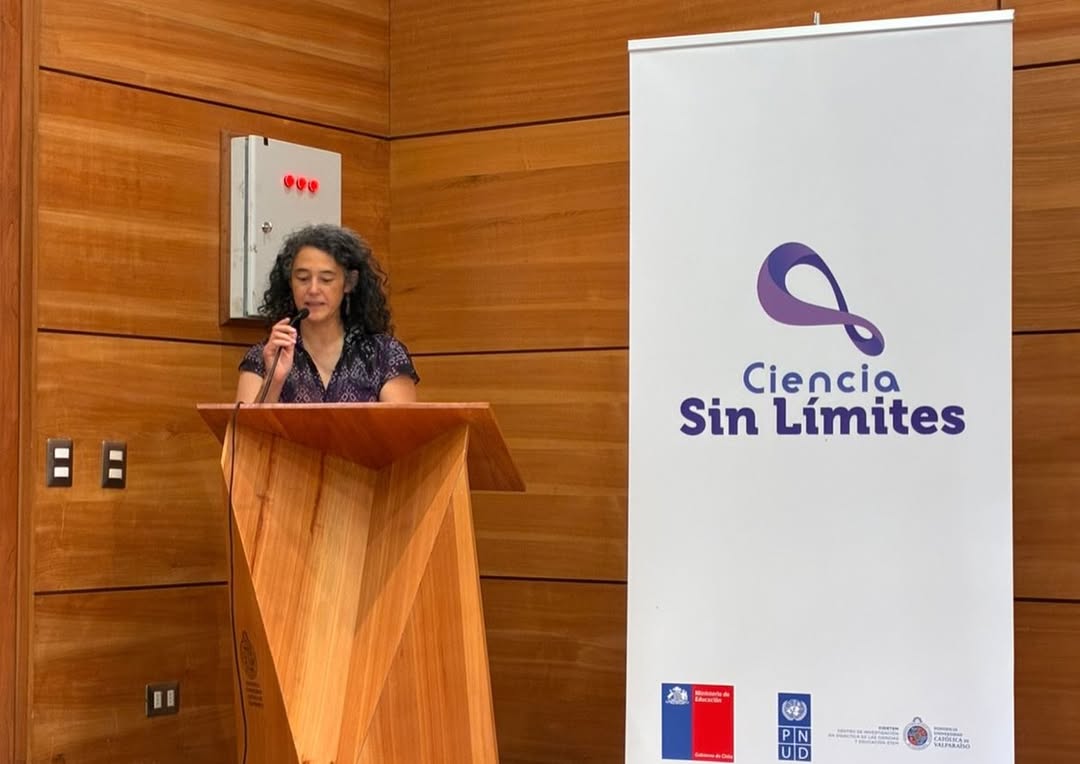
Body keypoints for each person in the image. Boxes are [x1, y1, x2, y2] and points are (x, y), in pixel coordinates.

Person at [235, 223, 418, 403]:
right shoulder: (264, 355)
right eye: (303, 278)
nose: (313, 290)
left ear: (349, 283)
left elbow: (401, 422)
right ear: (290, 282)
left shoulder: (383, 355)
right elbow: (244, 424)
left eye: (326, 279)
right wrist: (274, 380)